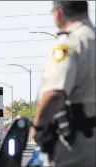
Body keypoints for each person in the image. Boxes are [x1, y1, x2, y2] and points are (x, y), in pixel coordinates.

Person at [32, 1, 95, 167]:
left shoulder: (70, 44)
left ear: (59, 13)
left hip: (77, 145)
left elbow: (55, 94)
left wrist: (37, 128)